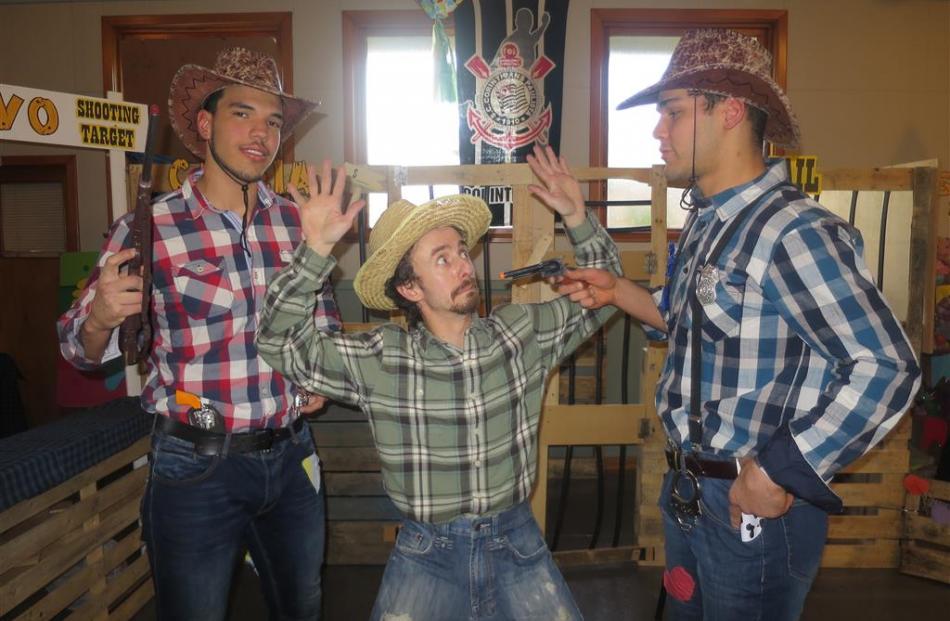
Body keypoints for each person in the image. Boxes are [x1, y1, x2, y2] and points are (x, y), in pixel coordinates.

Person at [554, 29, 921, 620]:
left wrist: (779, 470)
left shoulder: (793, 232)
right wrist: (618, 291)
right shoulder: (708, 219)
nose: (658, 131)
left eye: (672, 113)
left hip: (753, 506)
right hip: (692, 493)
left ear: (728, 111)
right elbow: (690, 319)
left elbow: (887, 367)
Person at [255, 145, 621, 620]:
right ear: (409, 288)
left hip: (516, 540)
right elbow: (277, 342)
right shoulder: (382, 357)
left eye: (462, 252)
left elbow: (606, 290)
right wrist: (316, 250)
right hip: (428, 554)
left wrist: (576, 213)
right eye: (442, 259)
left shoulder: (518, 334)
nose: (465, 266)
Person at [58, 47, 339, 620]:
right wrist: (99, 319)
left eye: (274, 121)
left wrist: (321, 374)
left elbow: (322, 316)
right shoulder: (150, 227)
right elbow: (76, 350)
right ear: (205, 124)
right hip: (196, 466)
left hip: (291, 458)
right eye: (243, 114)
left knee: (303, 608)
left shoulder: (298, 222)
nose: (261, 133)